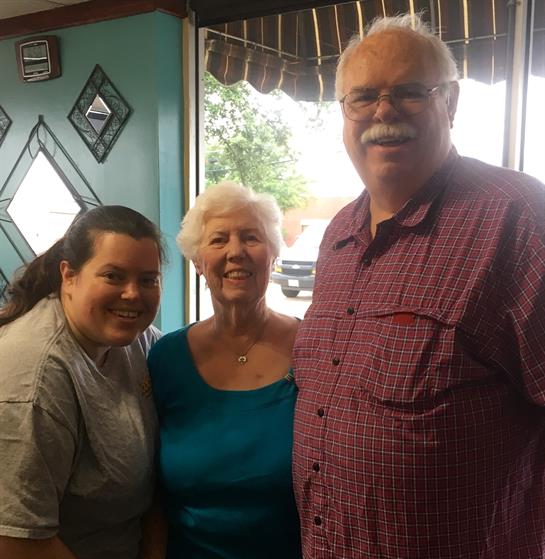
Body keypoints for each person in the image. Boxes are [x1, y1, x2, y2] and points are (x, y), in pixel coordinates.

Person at [292, 13, 545, 559]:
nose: (383, 111)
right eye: (362, 97)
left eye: (408, 92)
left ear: (450, 104)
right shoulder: (338, 236)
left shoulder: (518, 218)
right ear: (343, 114)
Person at [0, 205, 164, 559]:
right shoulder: (36, 382)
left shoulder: (135, 339)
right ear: (69, 276)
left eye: (148, 279)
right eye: (113, 276)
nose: (133, 294)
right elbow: (18, 542)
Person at [147, 181, 302, 558]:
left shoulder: (313, 348)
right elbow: (151, 496)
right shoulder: (165, 358)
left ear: (272, 254)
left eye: (251, 237)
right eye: (218, 240)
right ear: (198, 262)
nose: (236, 252)